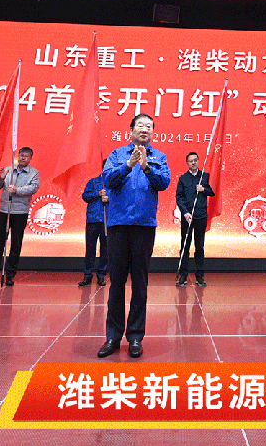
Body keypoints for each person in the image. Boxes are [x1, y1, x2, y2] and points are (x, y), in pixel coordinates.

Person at [97, 114, 171, 359]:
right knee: (117, 282)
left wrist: (146, 167)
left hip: (144, 226)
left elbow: (164, 183)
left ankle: (136, 337)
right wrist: (128, 165)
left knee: (140, 284)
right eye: (140, 125)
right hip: (118, 225)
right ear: (131, 130)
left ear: (153, 132)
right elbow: (108, 180)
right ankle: (113, 337)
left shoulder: (159, 157)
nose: (144, 129)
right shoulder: (117, 154)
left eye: (149, 126)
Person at [0, 147, 40, 287]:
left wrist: (17, 190)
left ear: (30, 158)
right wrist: (1, 178)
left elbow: (34, 188)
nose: (23, 158)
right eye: (21, 155)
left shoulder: (34, 173)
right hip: (4, 211)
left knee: (15, 245)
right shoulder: (8, 170)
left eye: (26, 156)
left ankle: (10, 275)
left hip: (20, 213)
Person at [175, 151, 215, 287]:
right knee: (185, 246)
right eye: (191, 161)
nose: (193, 163)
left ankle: (200, 276)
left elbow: (212, 192)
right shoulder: (183, 179)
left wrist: (203, 189)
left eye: (195, 160)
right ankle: (183, 275)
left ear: (198, 161)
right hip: (187, 217)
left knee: (200, 246)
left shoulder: (205, 176)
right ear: (187, 163)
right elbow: (179, 197)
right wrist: (185, 213)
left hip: (201, 216)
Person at [79, 169, 109, 287]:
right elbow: (85, 196)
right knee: (90, 249)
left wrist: (109, 198)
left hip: (107, 220)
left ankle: (101, 275)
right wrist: (98, 193)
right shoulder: (93, 181)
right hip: (93, 220)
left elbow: (120, 200)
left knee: (105, 249)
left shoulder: (114, 182)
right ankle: (87, 275)